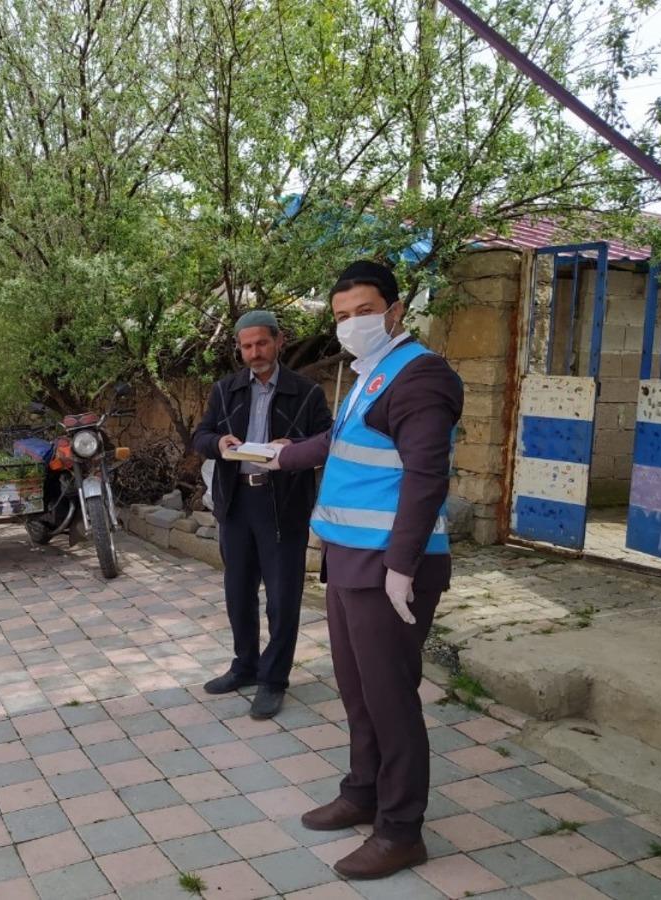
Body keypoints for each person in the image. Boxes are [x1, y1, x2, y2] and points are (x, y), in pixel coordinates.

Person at [263, 260, 463, 879]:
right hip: (349, 561)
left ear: (395, 311)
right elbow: (340, 443)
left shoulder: (421, 376)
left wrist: (402, 565)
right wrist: (281, 455)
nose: (352, 326)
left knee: (390, 700)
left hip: (390, 570)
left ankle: (401, 831)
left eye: (363, 312)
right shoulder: (368, 374)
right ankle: (363, 792)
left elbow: (427, 475)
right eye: (342, 317)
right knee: (357, 693)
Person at [192, 310, 333, 719]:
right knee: (238, 593)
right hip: (236, 503)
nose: (254, 353)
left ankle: (274, 679)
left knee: (282, 597)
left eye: (261, 343)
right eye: (247, 346)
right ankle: (245, 666)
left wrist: (294, 446)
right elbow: (200, 436)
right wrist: (219, 442)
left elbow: (327, 442)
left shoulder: (307, 393)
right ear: (239, 347)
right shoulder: (224, 390)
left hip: (282, 504)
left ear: (278, 341)